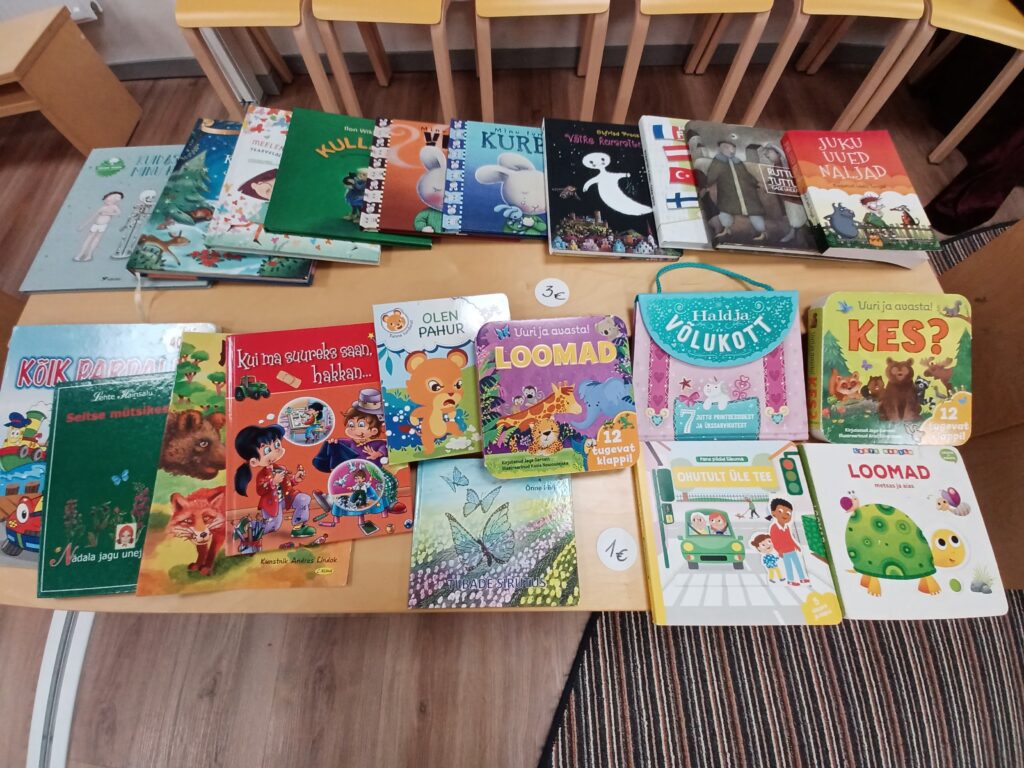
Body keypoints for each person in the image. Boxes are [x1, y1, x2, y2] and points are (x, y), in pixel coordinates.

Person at [233, 424, 314, 538]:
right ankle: (247, 525)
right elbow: (260, 490)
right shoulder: (262, 475)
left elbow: (286, 482)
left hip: (286, 498)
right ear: (254, 462)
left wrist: (295, 479)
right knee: (273, 526)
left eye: (277, 444)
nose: (277, 450)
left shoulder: (280, 468)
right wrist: (273, 482)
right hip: (271, 503)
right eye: (267, 450)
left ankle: (299, 527)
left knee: (303, 499)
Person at [704, 140, 766, 242]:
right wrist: (706, 184)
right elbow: (711, 175)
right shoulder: (718, 162)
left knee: (754, 211)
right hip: (728, 193)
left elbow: (747, 175)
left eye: (732, 148)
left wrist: (757, 183)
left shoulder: (738, 162)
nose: (731, 150)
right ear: (721, 149)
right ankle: (726, 229)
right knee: (725, 210)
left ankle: (762, 232)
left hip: (747, 192)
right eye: (727, 147)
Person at [768, 498, 809, 586]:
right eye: (780, 511)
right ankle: (790, 580)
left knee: (798, 564)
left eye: (788, 513)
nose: (785, 515)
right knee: (788, 566)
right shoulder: (774, 527)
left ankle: (802, 578)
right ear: (773, 513)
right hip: (784, 552)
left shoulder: (786, 527)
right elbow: (774, 541)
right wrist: (779, 551)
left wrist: (796, 546)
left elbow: (790, 538)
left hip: (792, 549)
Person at [76, 191, 124, 262]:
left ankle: (89, 255)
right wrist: (83, 226)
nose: (107, 201)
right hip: (96, 225)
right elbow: (92, 217)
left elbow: (119, 213)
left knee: (96, 240)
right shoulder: (102, 208)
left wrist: (108, 214)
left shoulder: (114, 207)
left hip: (103, 226)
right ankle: (81, 254)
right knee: (88, 239)